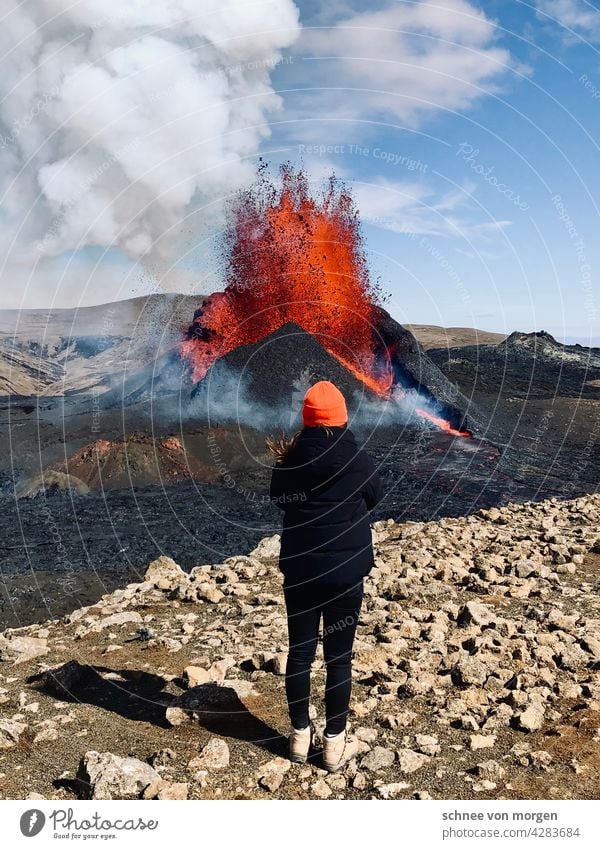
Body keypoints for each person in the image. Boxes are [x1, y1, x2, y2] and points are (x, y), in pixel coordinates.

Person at [267, 380, 383, 772]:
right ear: (341, 418)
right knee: (339, 658)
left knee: (300, 653)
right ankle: (334, 744)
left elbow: (279, 499)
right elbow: (375, 496)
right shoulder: (359, 460)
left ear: (308, 419)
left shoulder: (290, 462)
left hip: (300, 573)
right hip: (345, 575)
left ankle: (300, 736)